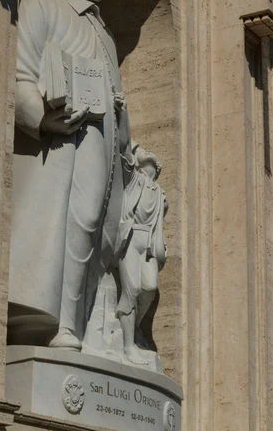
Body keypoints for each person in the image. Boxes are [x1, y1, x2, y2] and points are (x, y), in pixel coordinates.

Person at [9, 0, 127, 350]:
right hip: (63, 144)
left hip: (106, 148)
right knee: (76, 222)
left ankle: (83, 325)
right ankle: (61, 327)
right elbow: (19, 78)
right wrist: (45, 119)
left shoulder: (103, 28)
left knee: (98, 231)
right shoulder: (39, 3)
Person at [114, 100, 168, 365]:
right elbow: (124, 147)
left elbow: (160, 220)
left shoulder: (160, 194)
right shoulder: (134, 178)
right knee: (132, 288)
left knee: (149, 287)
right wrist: (123, 112)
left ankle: (133, 327)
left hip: (148, 243)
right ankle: (126, 346)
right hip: (130, 237)